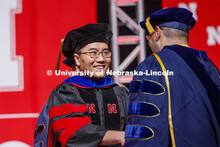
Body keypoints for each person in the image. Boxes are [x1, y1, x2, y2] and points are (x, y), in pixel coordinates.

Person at [124, 7, 220, 147]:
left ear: (157, 33)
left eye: (149, 36)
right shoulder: (208, 65)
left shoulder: (153, 65)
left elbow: (145, 129)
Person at [34, 23, 129, 147]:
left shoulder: (120, 93)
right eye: (93, 53)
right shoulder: (65, 94)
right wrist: (125, 135)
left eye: (105, 53)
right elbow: (76, 135)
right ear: (77, 59)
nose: (101, 59)